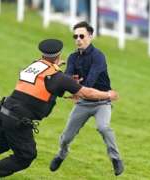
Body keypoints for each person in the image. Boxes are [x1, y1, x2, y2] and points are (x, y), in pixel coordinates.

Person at [0, 39, 119, 179]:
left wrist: (56, 66)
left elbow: (45, 74)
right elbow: (87, 92)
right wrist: (108, 94)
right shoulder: (59, 77)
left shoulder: (33, 66)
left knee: (2, 143)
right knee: (26, 156)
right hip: (19, 118)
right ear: (59, 55)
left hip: (5, 110)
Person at [49, 21, 124, 176]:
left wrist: (75, 86)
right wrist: (72, 83)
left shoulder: (98, 56)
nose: (78, 39)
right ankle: (61, 154)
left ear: (90, 36)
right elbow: (68, 77)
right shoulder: (72, 57)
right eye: (75, 36)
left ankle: (116, 159)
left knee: (103, 127)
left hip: (101, 102)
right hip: (82, 103)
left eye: (82, 36)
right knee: (65, 137)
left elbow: (89, 81)